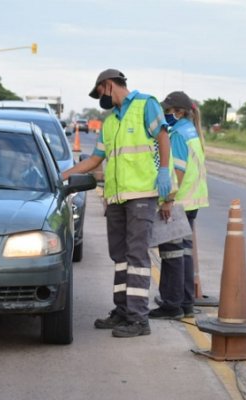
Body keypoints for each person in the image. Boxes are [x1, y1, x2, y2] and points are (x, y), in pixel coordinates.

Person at [61, 68, 174, 338]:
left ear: (109, 85)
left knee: (136, 257)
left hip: (141, 195)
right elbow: (95, 160)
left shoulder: (146, 104)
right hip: (116, 198)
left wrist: (164, 171)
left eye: (100, 92)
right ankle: (123, 310)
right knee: (120, 257)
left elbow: (162, 137)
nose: (100, 98)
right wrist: (63, 174)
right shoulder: (110, 122)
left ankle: (138, 319)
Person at [149, 91, 209, 320]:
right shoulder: (190, 131)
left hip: (179, 201)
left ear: (179, 112)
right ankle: (185, 302)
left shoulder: (178, 135)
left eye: (167, 111)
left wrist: (167, 200)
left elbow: (178, 171)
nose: (165, 114)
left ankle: (171, 304)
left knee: (172, 254)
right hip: (192, 201)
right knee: (183, 253)